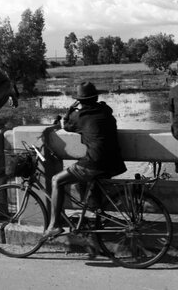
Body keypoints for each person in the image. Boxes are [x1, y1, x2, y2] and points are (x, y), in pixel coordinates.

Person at [44, 81, 127, 241]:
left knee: (56, 180)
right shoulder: (105, 111)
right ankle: (96, 217)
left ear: (80, 101)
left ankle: (54, 225)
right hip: (115, 163)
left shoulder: (80, 116)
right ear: (95, 97)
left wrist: (70, 109)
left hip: (95, 163)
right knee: (88, 186)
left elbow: (66, 125)